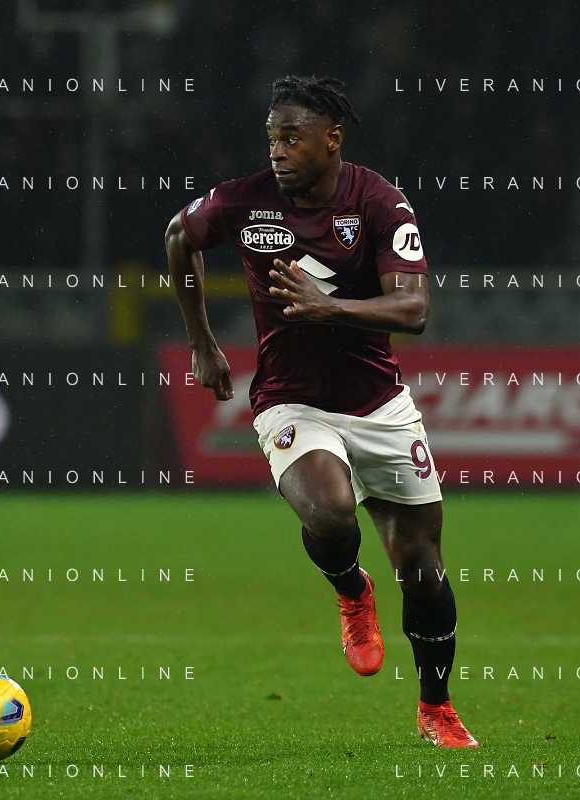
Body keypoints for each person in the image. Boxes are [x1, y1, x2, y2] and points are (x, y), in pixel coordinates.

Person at [164, 75, 477, 747]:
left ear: (332, 139)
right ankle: (349, 587)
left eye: (291, 138)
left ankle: (436, 707)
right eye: (271, 138)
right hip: (291, 401)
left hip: (379, 406)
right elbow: (177, 237)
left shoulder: (379, 201)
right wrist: (201, 342)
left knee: (422, 569)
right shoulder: (243, 202)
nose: (276, 151)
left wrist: (329, 307)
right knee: (331, 513)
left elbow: (413, 309)